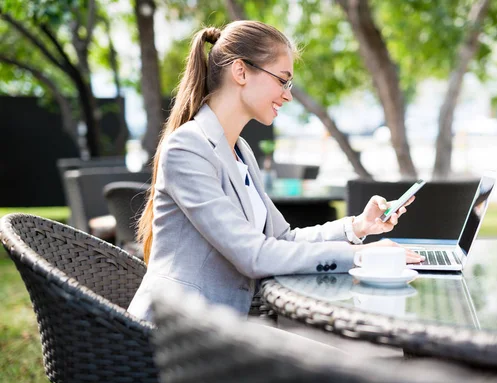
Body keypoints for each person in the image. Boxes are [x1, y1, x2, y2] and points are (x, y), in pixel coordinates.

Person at [127, 20, 424, 322]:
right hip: (169, 336)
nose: (288, 95)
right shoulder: (188, 148)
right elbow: (254, 255)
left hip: (218, 332)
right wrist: (360, 257)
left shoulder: (240, 150)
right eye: (282, 80)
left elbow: (282, 239)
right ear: (241, 71)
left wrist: (358, 227)